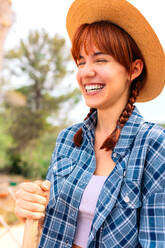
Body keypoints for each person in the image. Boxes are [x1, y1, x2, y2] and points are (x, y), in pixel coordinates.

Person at [15, 0, 165, 247]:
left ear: (134, 69)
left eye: (100, 60)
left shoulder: (153, 145)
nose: (85, 72)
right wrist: (31, 208)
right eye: (81, 61)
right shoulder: (67, 139)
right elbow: (51, 226)